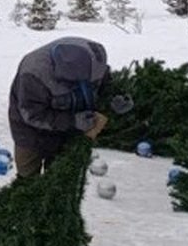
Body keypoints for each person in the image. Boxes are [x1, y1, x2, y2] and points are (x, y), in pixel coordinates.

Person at [7, 36, 133, 178]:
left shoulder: (94, 58)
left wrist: (115, 96)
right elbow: (33, 115)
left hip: (68, 125)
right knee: (28, 173)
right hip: (30, 130)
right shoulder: (33, 76)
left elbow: (104, 82)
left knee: (59, 173)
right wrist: (73, 121)